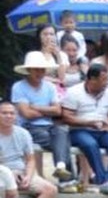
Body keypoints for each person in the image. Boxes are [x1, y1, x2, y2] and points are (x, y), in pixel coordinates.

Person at [12, 51, 74, 188]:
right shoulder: (18, 87)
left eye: (42, 69)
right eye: (36, 69)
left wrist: (35, 107)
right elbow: (26, 114)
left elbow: (58, 111)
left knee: (62, 131)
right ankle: (66, 178)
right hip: (29, 127)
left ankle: (61, 168)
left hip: (49, 125)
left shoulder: (50, 87)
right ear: (28, 70)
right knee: (61, 142)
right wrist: (47, 110)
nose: (40, 72)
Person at [60, 66, 108, 195]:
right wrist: (89, 123)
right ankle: (102, 181)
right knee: (90, 144)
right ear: (92, 79)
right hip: (79, 130)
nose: (106, 83)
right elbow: (66, 117)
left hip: (102, 131)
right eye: (104, 80)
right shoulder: (74, 92)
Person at [0, 101, 62, 198]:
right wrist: (10, 174)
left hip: (21, 171)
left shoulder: (23, 133)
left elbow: (30, 159)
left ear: (16, 116)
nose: (8, 116)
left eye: (12, 113)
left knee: (50, 189)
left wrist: (28, 176)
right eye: (4, 113)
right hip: (3, 172)